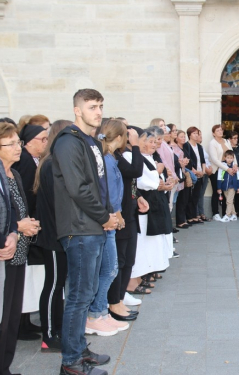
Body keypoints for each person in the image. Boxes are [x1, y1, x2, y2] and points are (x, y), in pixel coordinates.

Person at [52, 89, 118, 375]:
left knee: (87, 292)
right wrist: (104, 217)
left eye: (101, 106)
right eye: (92, 107)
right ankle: (70, 362)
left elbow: (98, 185)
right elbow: (77, 188)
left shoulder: (89, 141)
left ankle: (79, 349)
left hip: (92, 225)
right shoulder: (68, 142)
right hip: (79, 229)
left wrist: (108, 214)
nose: (98, 112)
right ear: (77, 110)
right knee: (79, 296)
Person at [82, 120, 131, 337]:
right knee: (109, 268)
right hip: (108, 219)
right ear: (119, 138)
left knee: (108, 268)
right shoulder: (107, 161)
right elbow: (109, 193)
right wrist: (118, 214)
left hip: (108, 218)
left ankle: (100, 312)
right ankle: (95, 314)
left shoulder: (108, 158)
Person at [0, 121, 38, 375]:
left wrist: (19, 229)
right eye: (11, 144)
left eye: (18, 142)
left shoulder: (14, 173)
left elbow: (16, 208)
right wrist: (16, 227)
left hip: (17, 249)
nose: (18, 148)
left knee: (11, 315)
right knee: (4, 315)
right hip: (5, 253)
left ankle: (5, 366)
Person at [33, 120, 72, 353]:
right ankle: (48, 335)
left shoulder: (53, 163)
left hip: (60, 234)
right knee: (53, 285)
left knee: (59, 286)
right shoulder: (50, 165)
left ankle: (56, 330)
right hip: (53, 236)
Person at [12, 122, 50, 340]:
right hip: (25, 225)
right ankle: (20, 324)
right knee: (23, 276)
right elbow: (25, 196)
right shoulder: (25, 162)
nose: (45, 143)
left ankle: (24, 322)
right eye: (42, 139)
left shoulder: (31, 160)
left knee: (27, 276)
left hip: (30, 224)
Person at [128, 131, 173, 293]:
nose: (154, 144)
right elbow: (143, 180)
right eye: (150, 141)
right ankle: (138, 275)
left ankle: (145, 272)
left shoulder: (147, 157)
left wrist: (163, 180)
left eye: (155, 141)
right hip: (144, 202)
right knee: (143, 242)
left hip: (153, 201)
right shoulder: (131, 156)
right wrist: (158, 174)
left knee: (152, 241)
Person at [108, 125, 148, 312]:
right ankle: (115, 300)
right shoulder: (113, 157)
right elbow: (135, 172)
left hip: (129, 212)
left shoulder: (118, 155)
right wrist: (136, 146)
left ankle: (120, 297)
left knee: (129, 259)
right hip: (120, 215)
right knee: (121, 260)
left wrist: (138, 195)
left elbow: (130, 181)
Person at [208, 125, 235, 221]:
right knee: (217, 191)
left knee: (226, 191)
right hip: (217, 171)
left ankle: (226, 213)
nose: (220, 132)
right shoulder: (212, 143)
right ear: (213, 133)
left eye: (221, 130)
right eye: (217, 130)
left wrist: (234, 165)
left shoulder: (227, 141)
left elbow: (232, 155)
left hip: (228, 170)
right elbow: (215, 160)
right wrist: (227, 168)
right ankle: (215, 213)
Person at [184, 127, 206, 225]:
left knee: (196, 196)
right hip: (192, 174)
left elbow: (203, 161)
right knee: (190, 197)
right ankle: (190, 217)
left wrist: (203, 171)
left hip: (201, 174)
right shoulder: (186, 146)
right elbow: (188, 162)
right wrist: (195, 172)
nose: (196, 135)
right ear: (189, 135)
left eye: (197, 133)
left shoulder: (199, 147)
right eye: (194, 133)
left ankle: (194, 215)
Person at [217, 150, 239, 222]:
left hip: (233, 186)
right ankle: (234, 215)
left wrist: (238, 187)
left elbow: (238, 177)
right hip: (225, 186)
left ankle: (227, 215)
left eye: (231, 158)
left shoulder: (235, 167)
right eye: (228, 157)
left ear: (233, 158)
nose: (229, 159)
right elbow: (219, 177)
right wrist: (219, 187)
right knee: (229, 201)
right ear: (225, 158)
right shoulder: (223, 166)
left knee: (229, 201)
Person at [197, 130, 212, 222]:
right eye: (199, 135)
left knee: (201, 194)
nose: (200, 136)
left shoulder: (201, 147)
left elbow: (206, 160)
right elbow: (199, 161)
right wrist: (206, 169)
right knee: (198, 194)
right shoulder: (195, 147)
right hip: (201, 173)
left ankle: (201, 213)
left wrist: (209, 168)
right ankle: (198, 214)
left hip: (206, 173)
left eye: (201, 134)